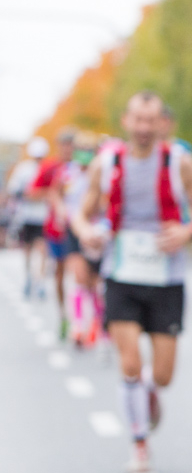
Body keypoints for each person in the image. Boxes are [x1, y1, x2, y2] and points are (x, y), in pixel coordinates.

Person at [71, 92, 192, 473]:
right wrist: (86, 232)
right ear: (126, 121)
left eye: (150, 120)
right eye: (137, 120)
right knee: (131, 363)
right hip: (121, 274)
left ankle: (150, 394)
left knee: (164, 375)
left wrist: (186, 231)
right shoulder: (107, 163)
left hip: (167, 278)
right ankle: (139, 443)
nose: (143, 127)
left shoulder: (179, 162)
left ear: (161, 124)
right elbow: (81, 213)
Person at [39, 131, 105, 347]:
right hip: (73, 231)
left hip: (95, 232)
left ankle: (96, 323)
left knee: (94, 283)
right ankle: (78, 326)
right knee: (78, 276)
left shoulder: (100, 172)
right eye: (80, 150)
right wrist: (61, 211)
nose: (84, 154)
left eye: (88, 150)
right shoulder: (68, 172)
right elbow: (54, 193)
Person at [9, 137, 51, 299]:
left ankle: (40, 282)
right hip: (26, 216)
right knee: (27, 250)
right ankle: (28, 277)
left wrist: (43, 195)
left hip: (43, 216)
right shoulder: (24, 169)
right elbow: (14, 190)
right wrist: (30, 195)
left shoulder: (48, 168)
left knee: (42, 250)